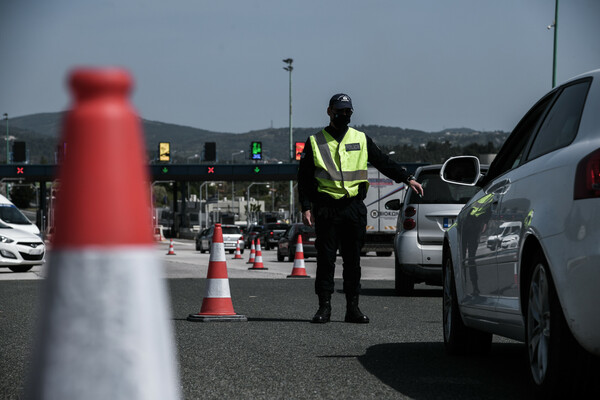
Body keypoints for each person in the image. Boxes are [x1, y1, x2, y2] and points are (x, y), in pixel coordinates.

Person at [297, 93, 424, 324]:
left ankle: (352, 308)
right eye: (339, 110)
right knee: (326, 261)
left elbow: (383, 161)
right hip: (326, 208)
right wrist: (306, 207)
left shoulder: (360, 138)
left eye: (347, 111)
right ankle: (323, 308)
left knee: (353, 261)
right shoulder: (315, 141)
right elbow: (304, 178)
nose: (343, 115)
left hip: (353, 208)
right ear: (329, 111)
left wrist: (407, 178)